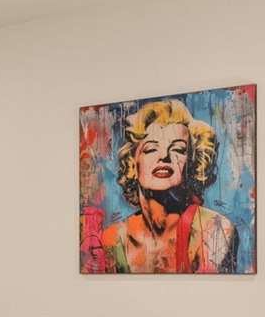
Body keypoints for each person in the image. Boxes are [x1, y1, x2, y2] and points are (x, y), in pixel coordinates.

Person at [102, 98, 239, 273]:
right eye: (151, 149)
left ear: (192, 163)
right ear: (132, 164)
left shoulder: (216, 230)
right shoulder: (112, 239)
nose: (164, 156)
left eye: (178, 149)